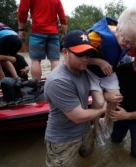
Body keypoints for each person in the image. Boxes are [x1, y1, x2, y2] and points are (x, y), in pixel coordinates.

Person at [44, 30, 106, 167]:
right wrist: (103, 109)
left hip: (84, 131)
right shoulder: (58, 80)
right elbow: (78, 116)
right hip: (63, 140)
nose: (85, 58)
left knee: (88, 156)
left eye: (88, 54)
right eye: (80, 54)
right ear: (65, 52)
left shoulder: (83, 70)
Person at [87, 8, 136, 145]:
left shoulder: (131, 39)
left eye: (131, 43)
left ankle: (104, 122)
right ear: (118, 28)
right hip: (92, 71)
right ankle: (95, 128)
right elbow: (75, 56)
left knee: (117, 97)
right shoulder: (96, 37)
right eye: (125, 41)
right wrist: (98, 61)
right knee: (99, 102)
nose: (127, 45)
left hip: (108, 72)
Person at [17, 0, 67, 80]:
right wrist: (65, 34)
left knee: (35, 60)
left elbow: (23, 10)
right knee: (54, 60)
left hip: (37, 32)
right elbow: (62, 17)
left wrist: (21, 30)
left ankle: (36, 86)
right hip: (53, 33)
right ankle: (56, 84)